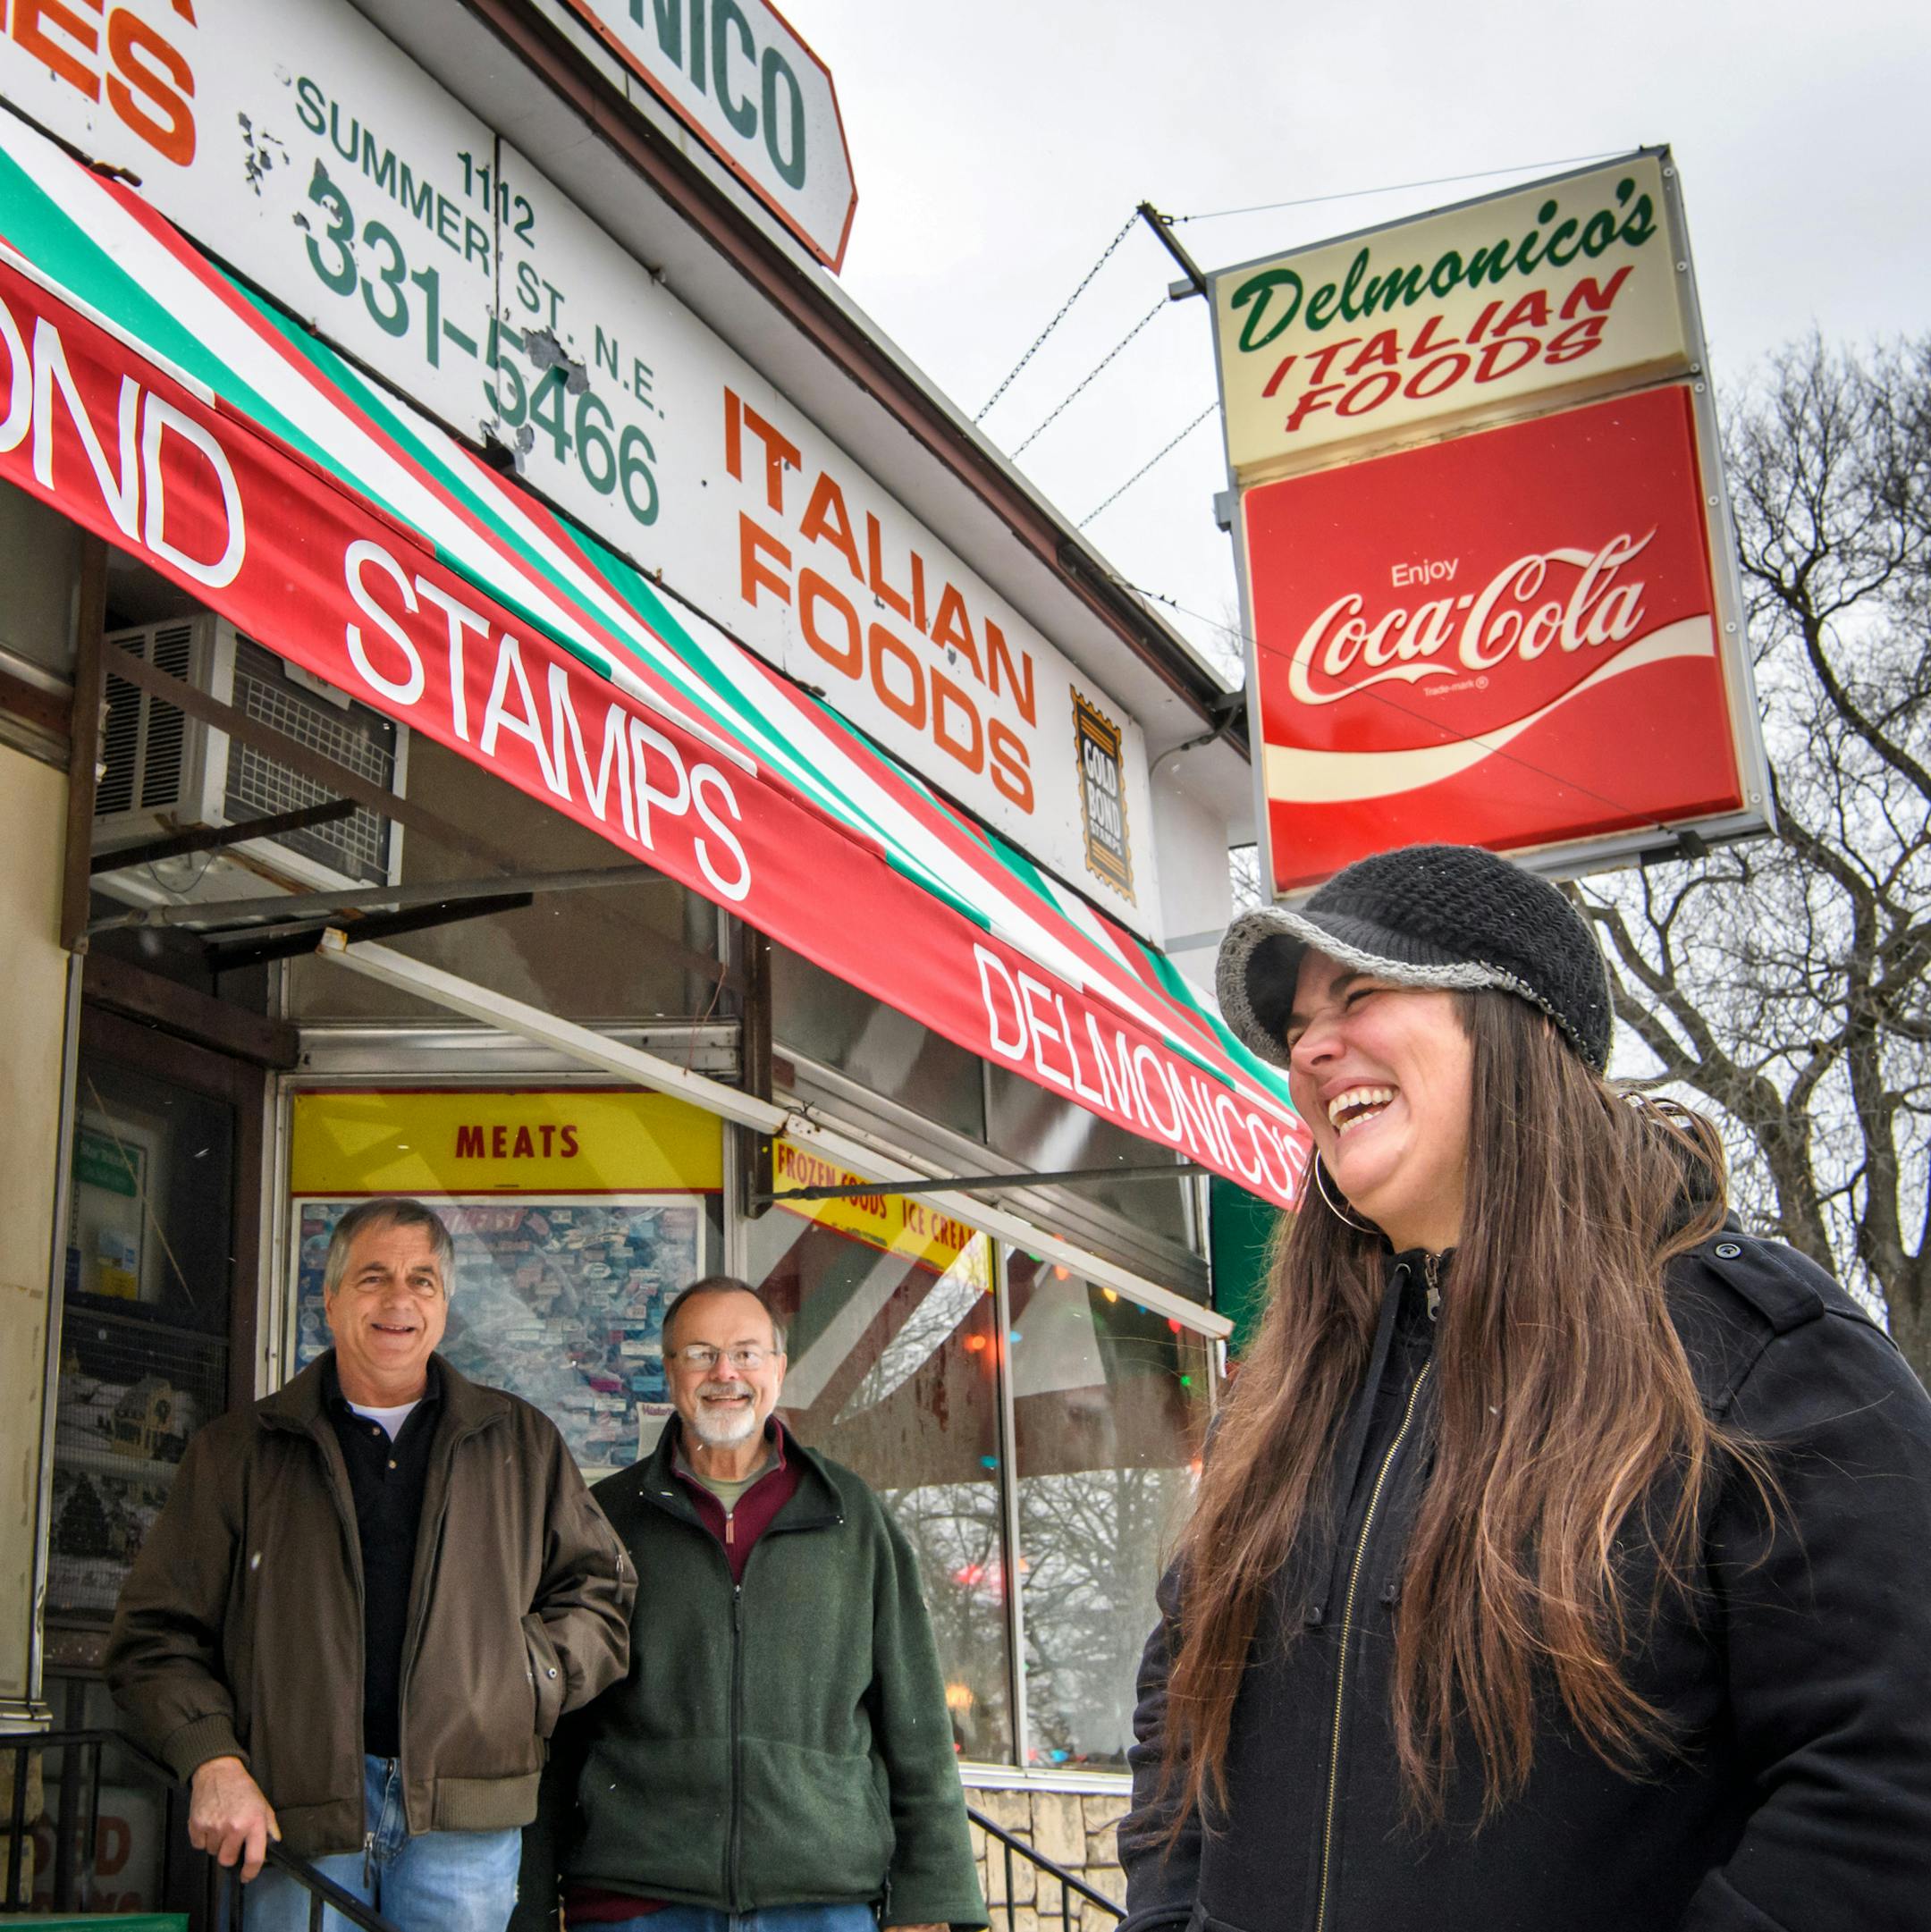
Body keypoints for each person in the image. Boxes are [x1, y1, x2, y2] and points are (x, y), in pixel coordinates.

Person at [1120, 843, 1931, 1932]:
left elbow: (1889, 1777)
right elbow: (1181, 1712)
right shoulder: (1282, 1397)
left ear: (1514, 1022)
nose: (1312, 1046)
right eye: (1300, 1025)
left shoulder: (1757, 1356)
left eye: (1359, 993)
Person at [106, 1196, 636, 1932]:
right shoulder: (240, 1451)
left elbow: (602, 1595)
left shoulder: (521, 1442)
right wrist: (213, 1761)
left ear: (445, 1306)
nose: (399, 1298)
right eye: (373, 1276)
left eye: (422, 1280)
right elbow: (154, 1638)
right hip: (290, 1812)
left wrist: (525, 1677)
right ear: (328, 1299)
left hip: (464, 1819)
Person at [515, 1274, 987, 1932]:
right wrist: (530, 1898)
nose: (724, 1372)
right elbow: (558, 1725)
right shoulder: (604, 1520)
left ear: (779, 1368)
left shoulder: (852, 1517)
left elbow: (916, 1723)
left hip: (820, 1902)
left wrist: (933, 1898)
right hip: (635, 1902)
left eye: (746, 1352)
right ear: (671, 1370)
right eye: (701, 1352)